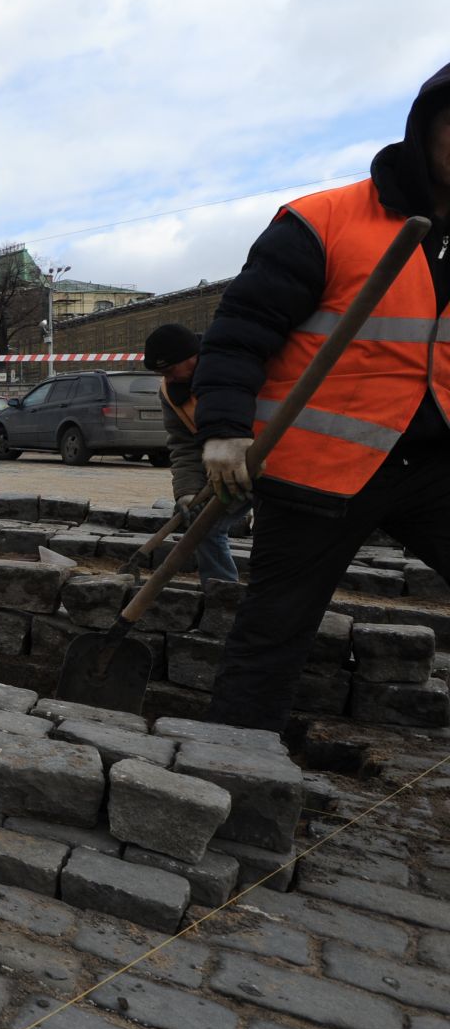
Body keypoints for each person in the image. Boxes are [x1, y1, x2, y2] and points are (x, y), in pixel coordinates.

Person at [192, 63, 450, 734]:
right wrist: (223, 427)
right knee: (274, 629)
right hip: (319, 472)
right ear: (425, 130)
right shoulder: (325, 220)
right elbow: (239, 331)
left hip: (432, 466)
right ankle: (231, 771)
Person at [143, 324, 243, 583]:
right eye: (161, 373)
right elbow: (183, 444)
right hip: (225, 472)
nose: (167, 378)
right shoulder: (170, 391)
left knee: (277, 535)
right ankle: (221, 596)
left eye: (169, 370)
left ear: (192, 356)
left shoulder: (235, 367)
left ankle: (273, 606)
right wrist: (187, 492)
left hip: (272, 463)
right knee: (203, 526)